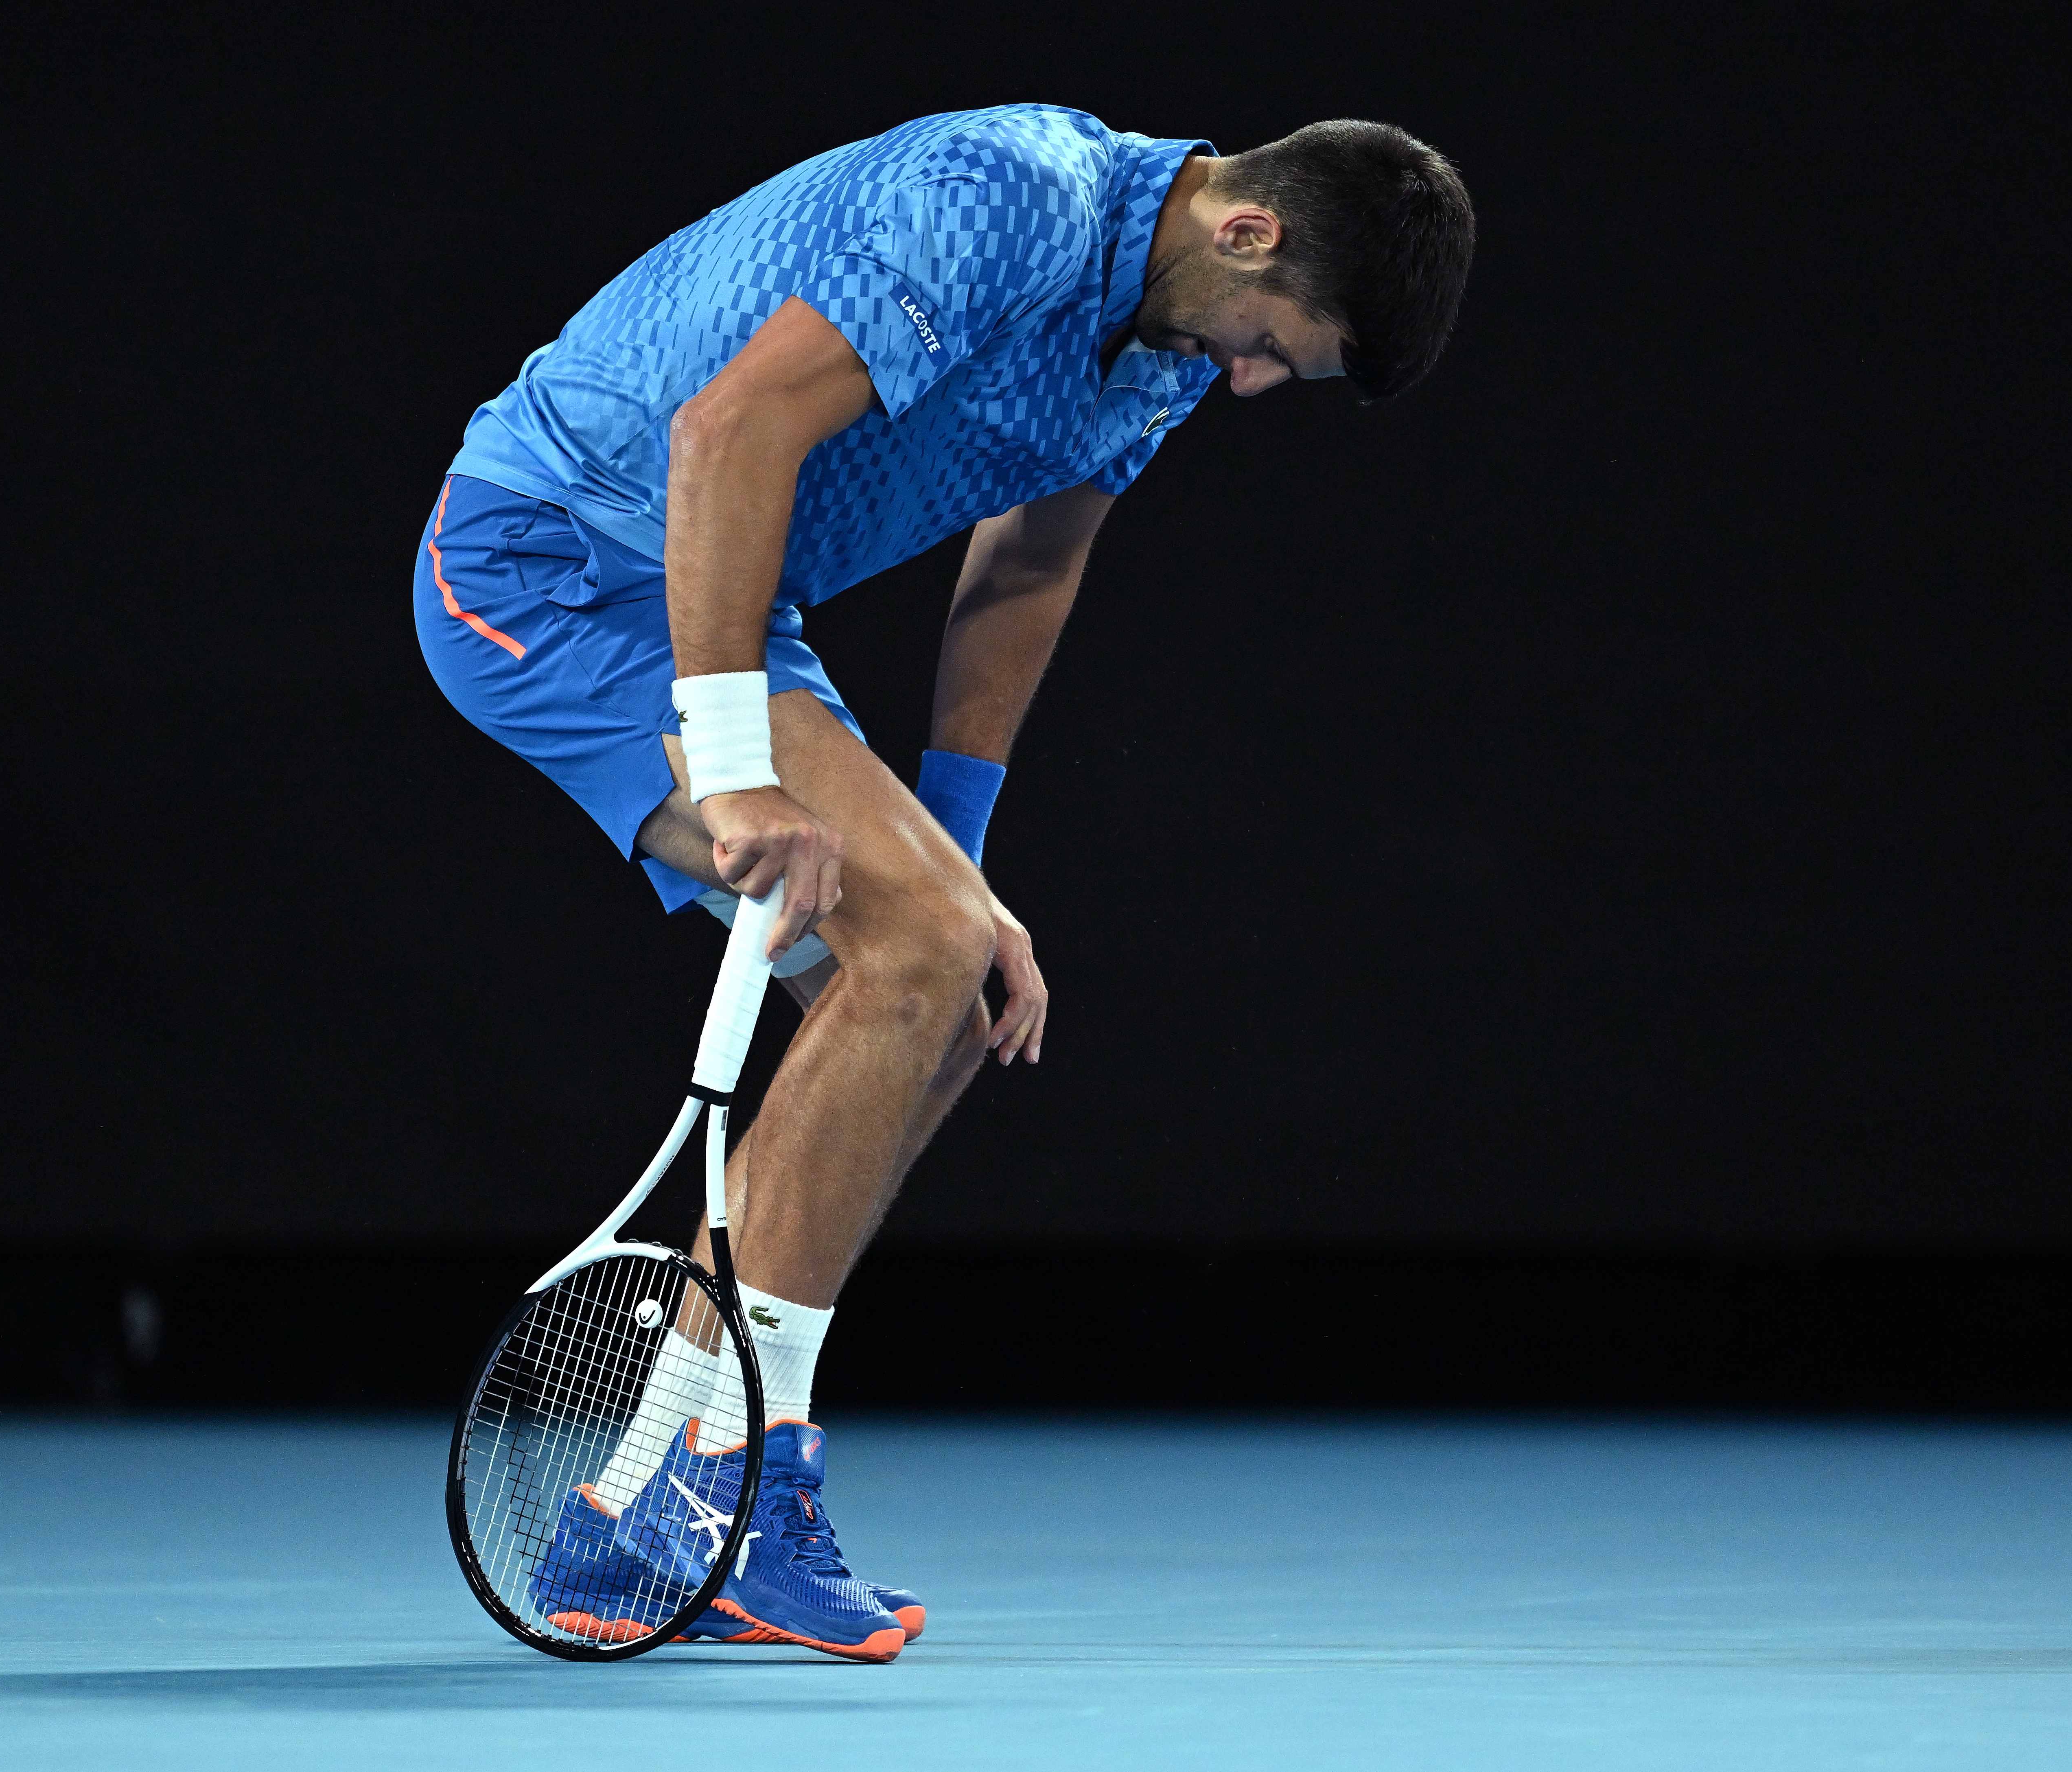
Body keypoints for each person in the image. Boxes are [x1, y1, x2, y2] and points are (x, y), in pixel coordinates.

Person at [414, 106, 1474, 1660]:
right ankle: (728, 1474)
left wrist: (955, 867)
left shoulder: (1165, 348)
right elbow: (729, 431)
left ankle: (662, 1492)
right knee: (914, 952)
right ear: (1247, 233)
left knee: (945, 984)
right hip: (549, 557)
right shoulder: (1004, 198)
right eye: (1274, 347)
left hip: (716, 589)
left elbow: (1034, 562)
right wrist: (735, 762)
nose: (1249, 382)